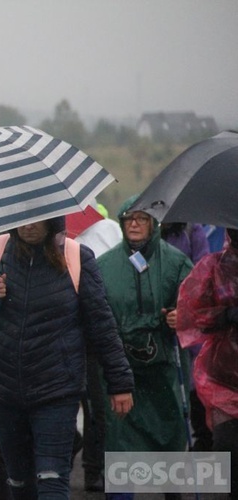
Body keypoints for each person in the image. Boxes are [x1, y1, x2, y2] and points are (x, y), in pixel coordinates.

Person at [0, 216, 134, 499]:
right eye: (21, 218)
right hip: (3, 392)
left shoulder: (75, 257)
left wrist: (120, 382)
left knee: (52, 479)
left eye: (37, 219)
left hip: (56, 391)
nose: (28, 225)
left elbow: (101, 323)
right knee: (19, 482)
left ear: (53, 220)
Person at [97, 196, 194, 500]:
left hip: (165, 372)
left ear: (154, 223)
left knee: (170, 449)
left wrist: (183, 315)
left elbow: (197, 306)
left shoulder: (176, 261)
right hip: (120, 372)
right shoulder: (104, 266)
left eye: (141, 218)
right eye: (128, 218)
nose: (134, 224)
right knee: (121, 448)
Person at [177, 227, 238, 499]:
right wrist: (226, 315)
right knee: (229, 451)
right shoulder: (213, 267)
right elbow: (192, 313)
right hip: (223, 378)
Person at [72, 202, 123, 491]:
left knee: (96, 408)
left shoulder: (106, 230)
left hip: (91, 336)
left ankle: (94, 469)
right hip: (60, 337)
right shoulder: (40, 240)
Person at [161, 221, 212, 452]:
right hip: (165, 311)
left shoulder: (193, 231)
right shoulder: (155, 232)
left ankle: (202, 436)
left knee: (195, 378)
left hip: (190, 309)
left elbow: (202, 269)